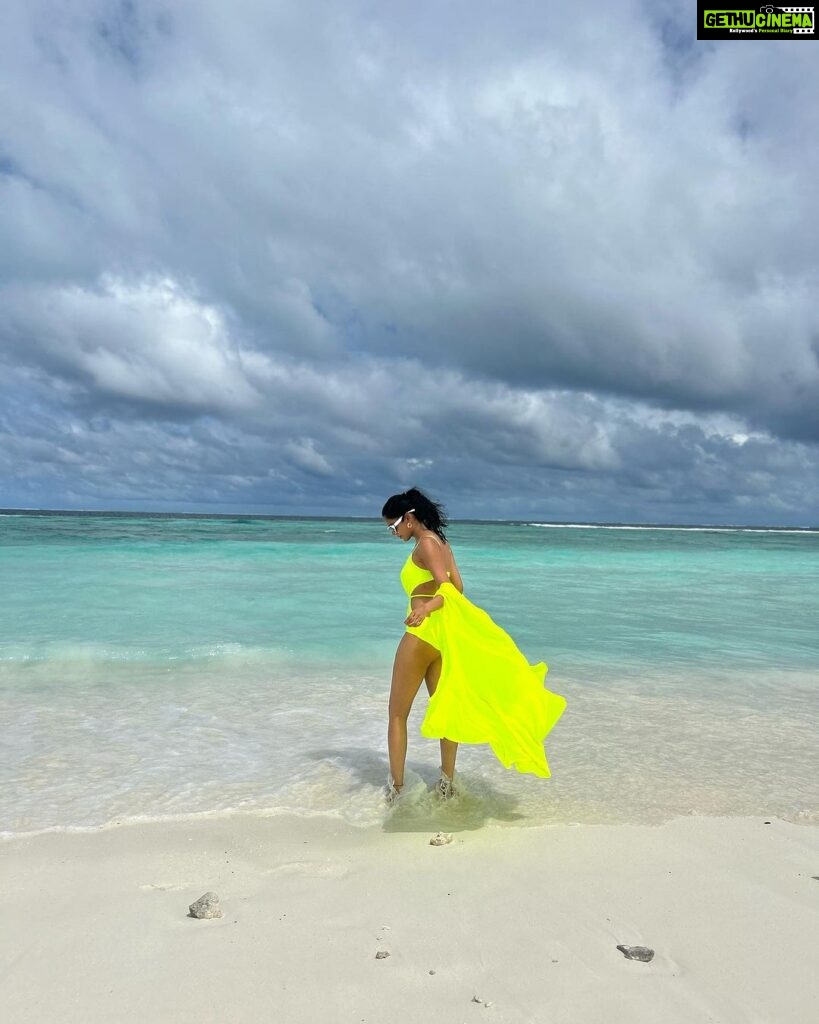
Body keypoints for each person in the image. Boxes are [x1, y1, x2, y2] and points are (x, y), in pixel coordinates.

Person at [381, 487, 566, 804]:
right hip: (441, 641)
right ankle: (446, 785)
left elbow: (447, 590)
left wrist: (425, 607)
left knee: (397, 714)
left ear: (409, 519)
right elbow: (459, 587)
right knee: (447, 711)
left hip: (421, 635)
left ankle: (396, 791)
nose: (392, 532)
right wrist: (436, 601)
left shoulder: (425, 544)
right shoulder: (442, 544)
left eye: (393, 526)